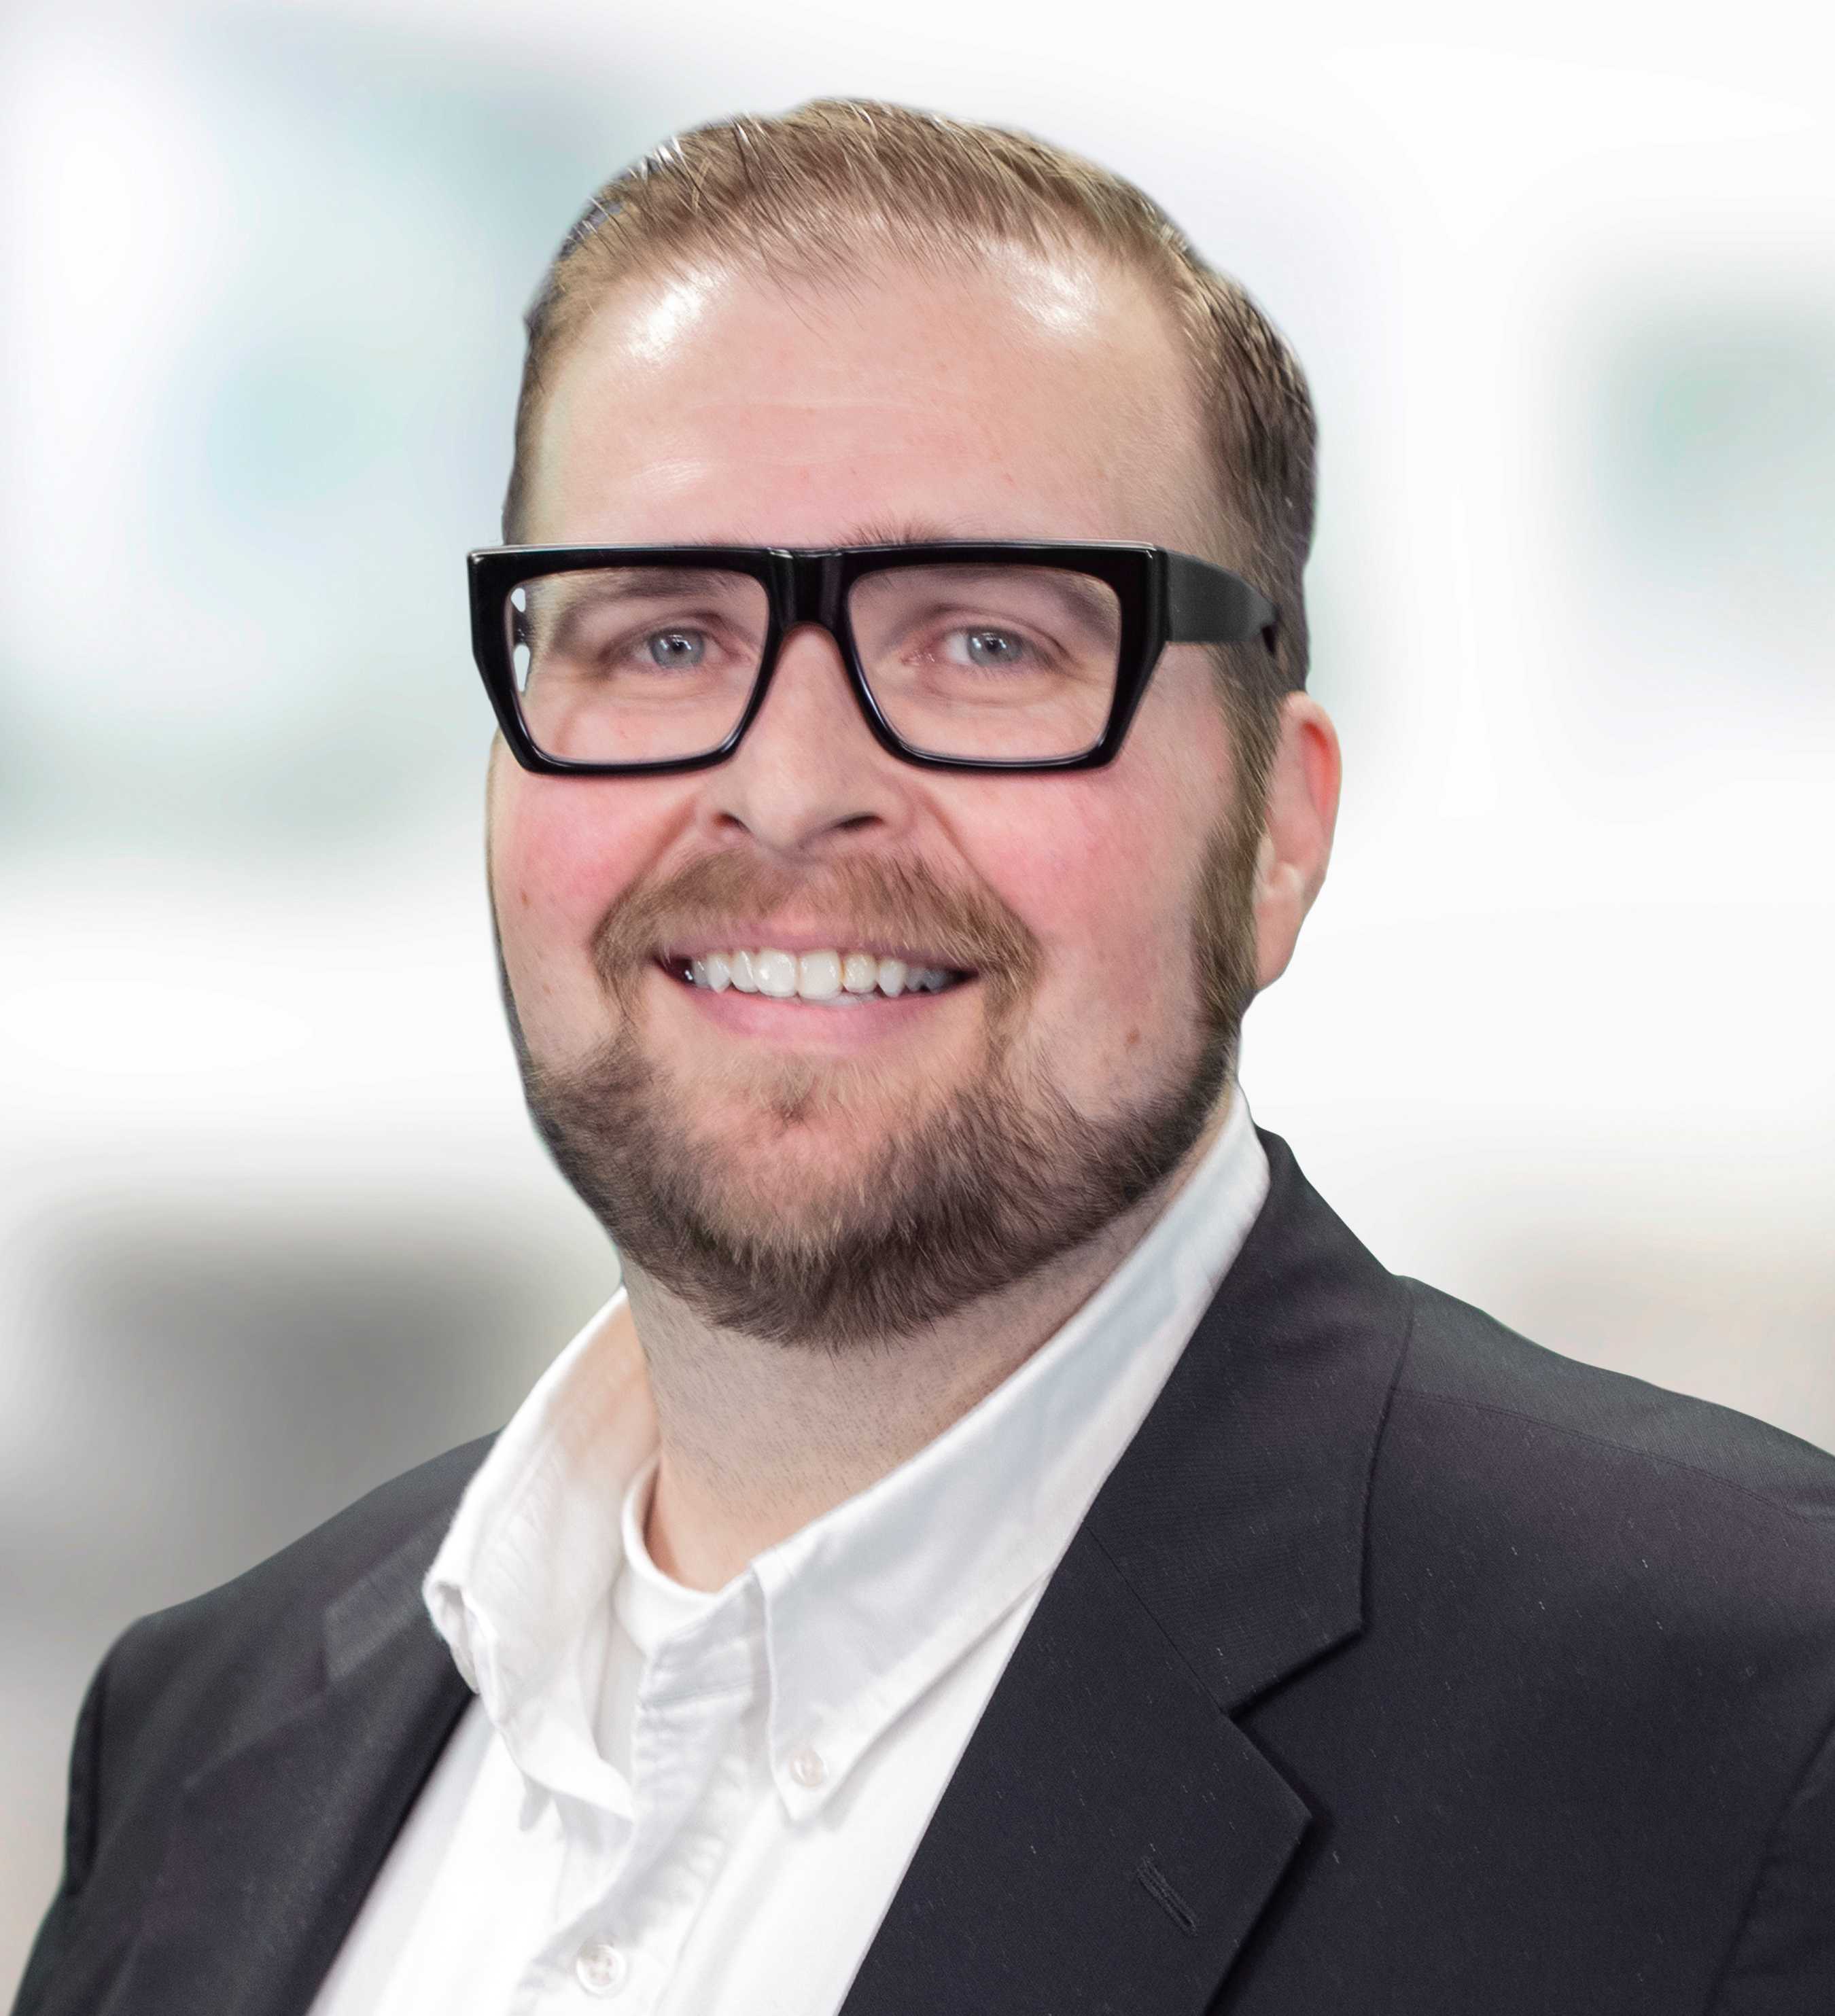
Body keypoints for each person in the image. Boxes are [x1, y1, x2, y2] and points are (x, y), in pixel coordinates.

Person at [14, 97, 1835, 2016]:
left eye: (983, 644)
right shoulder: (205, 1738)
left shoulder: (1750, 1741)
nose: (791, 787)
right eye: (661, 641)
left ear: (1278, 834)